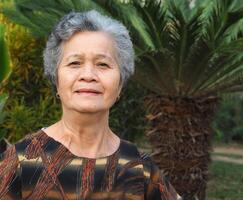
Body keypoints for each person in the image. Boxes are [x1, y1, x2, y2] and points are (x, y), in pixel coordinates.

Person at [0, 10, 181, 200]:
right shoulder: (22, 161)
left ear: (120, 83)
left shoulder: (139, 168)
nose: (88, 75)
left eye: (103, 64)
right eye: (75, 63)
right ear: (56, 79)